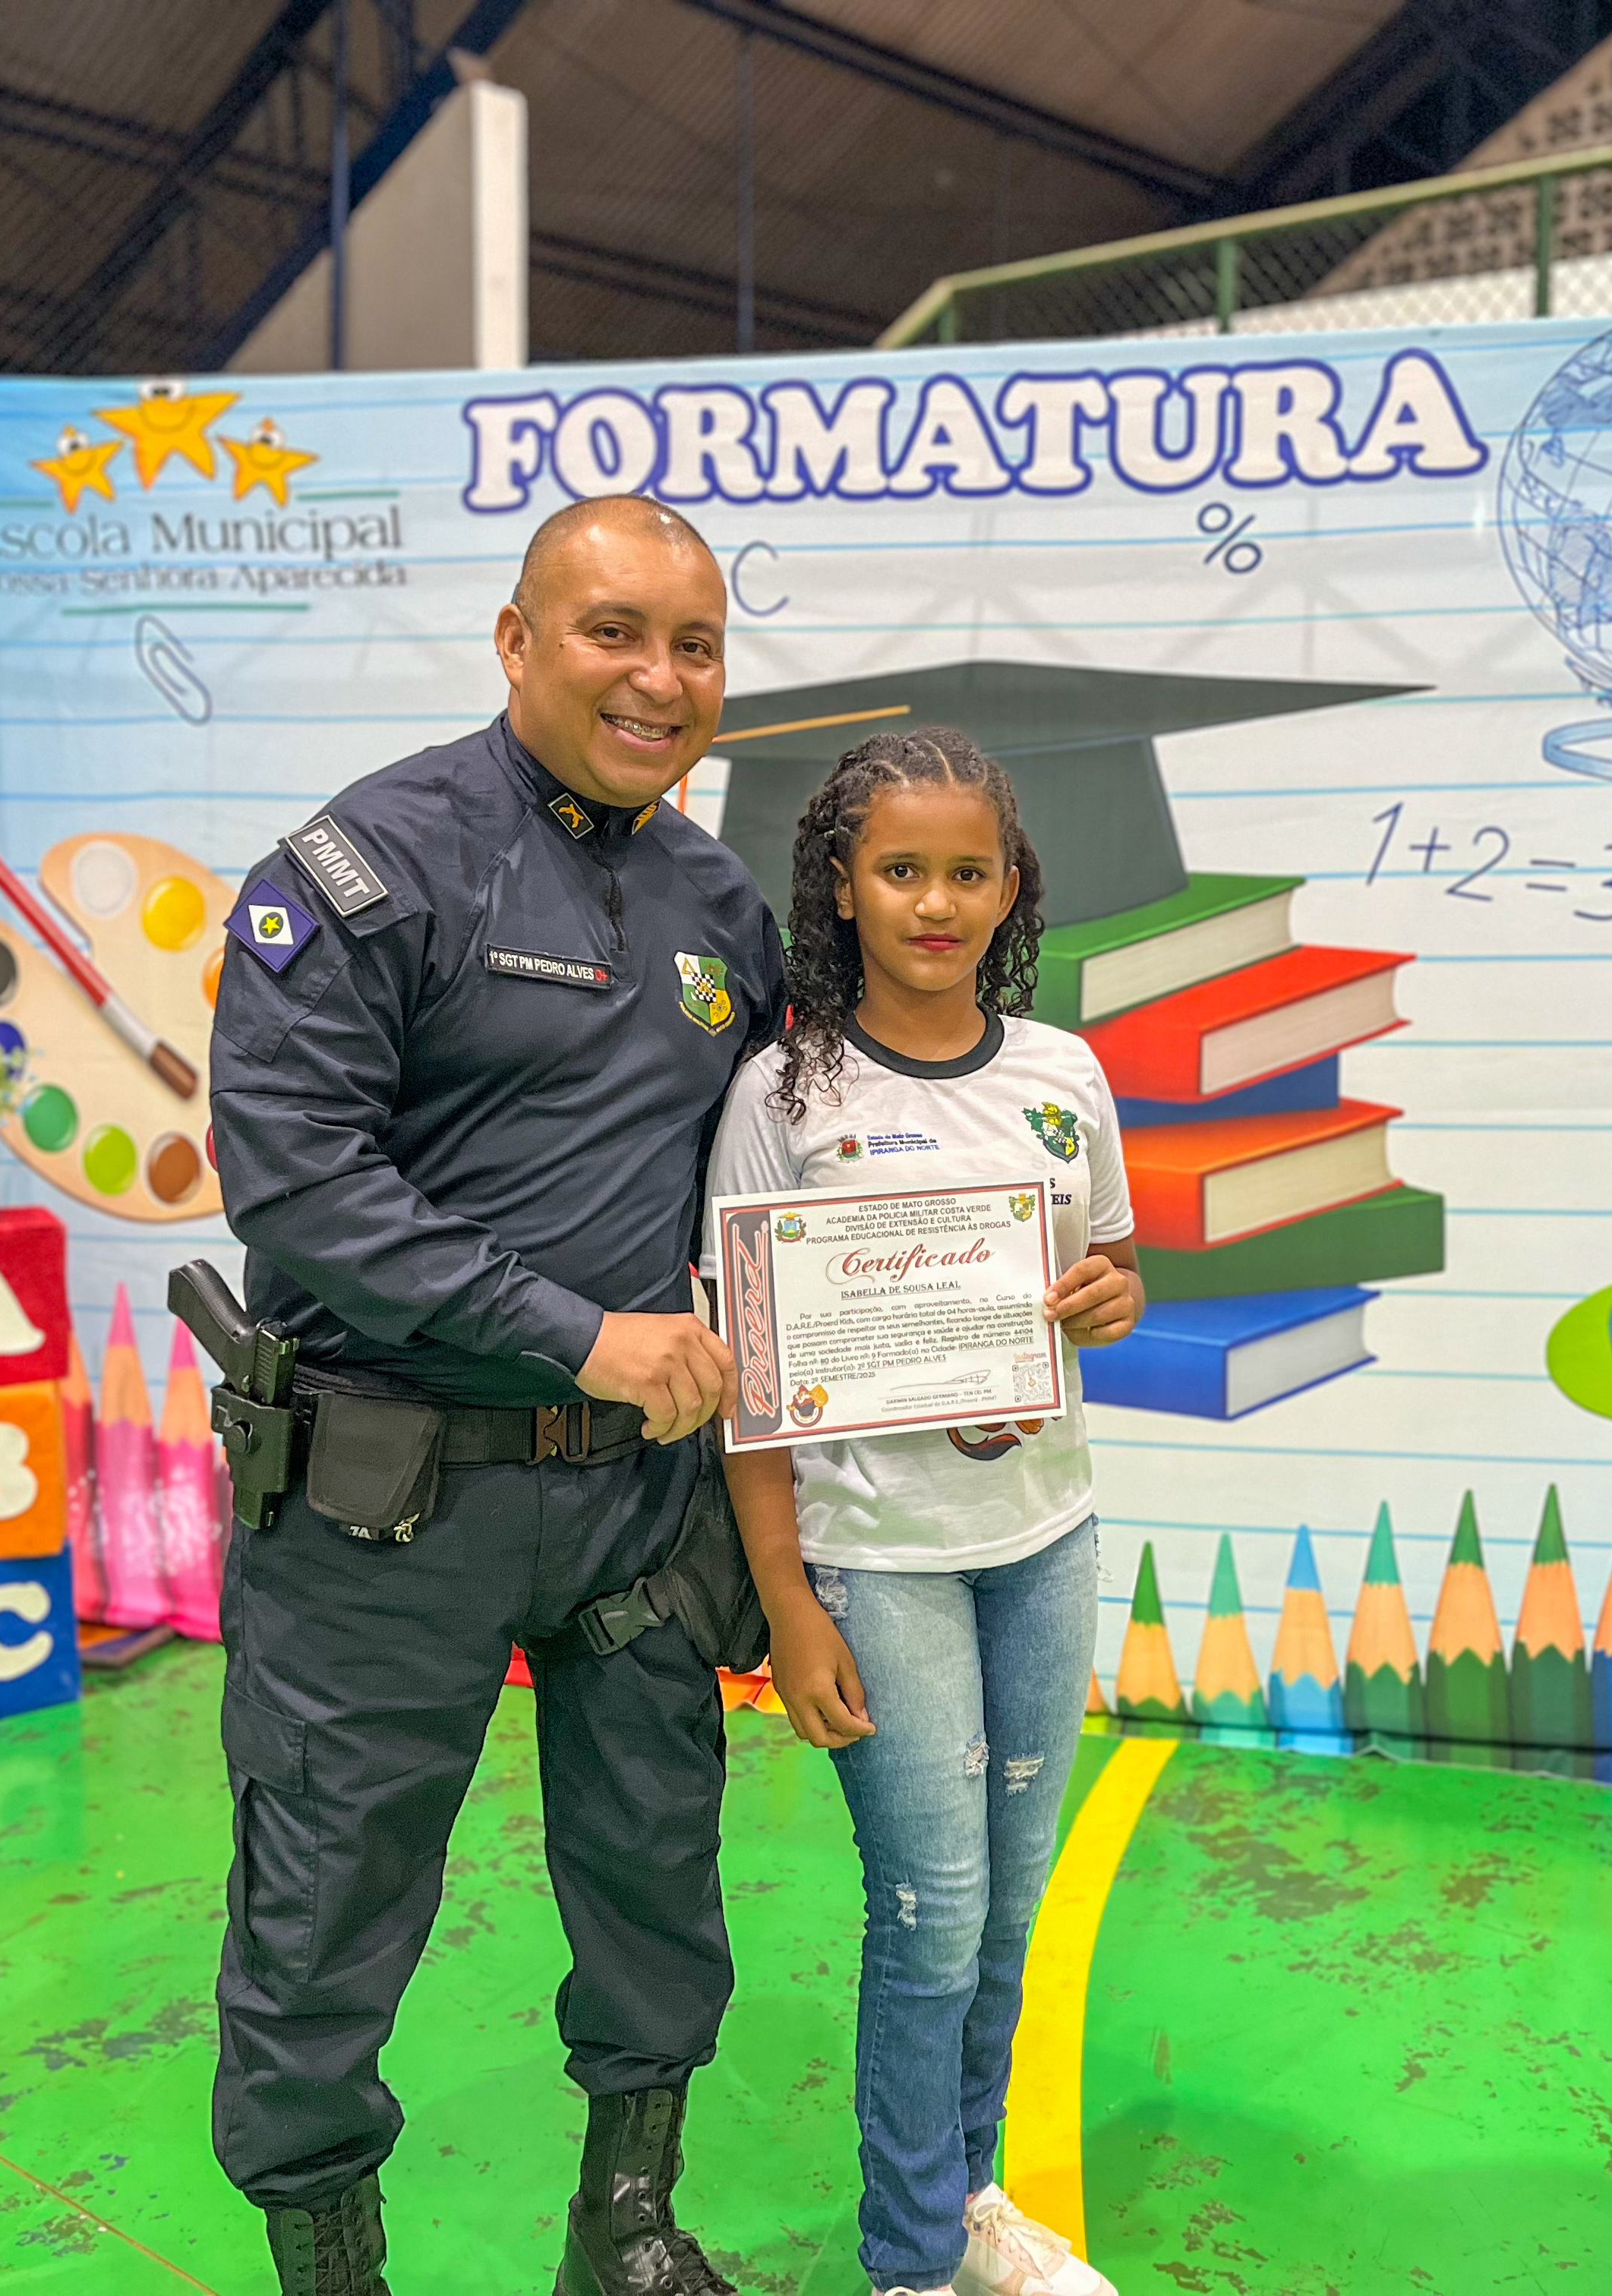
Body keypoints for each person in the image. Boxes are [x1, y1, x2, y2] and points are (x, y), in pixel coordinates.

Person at [207, 495, 784, 2296]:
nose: (659, 678)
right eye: (615, 632)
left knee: (658, 1871)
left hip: (635, 1503)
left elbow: (801, 1162)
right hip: (388, 1508)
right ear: (518, 641)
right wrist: (574, 1332)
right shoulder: (368, 870)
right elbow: (297, 1179)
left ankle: (628, 2225)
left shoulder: (721, 903)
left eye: (695, 646)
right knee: (329, 1902)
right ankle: (333, 2269)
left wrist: (1014, 1289)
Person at [702, 730, 1145, 2296]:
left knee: (1005, 1915)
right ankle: (906, 2261)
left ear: (1012, 887)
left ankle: (969, 2208)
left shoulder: (1062, 1074)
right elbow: (752, 1377)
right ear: (843, 885)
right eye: (902, 870)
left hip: (1045, 1539)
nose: (937, 902)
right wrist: (788, 1599)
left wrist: (1110, 1297)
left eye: (969, 871)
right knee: (930, 1913)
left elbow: (1112, 1266)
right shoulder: (783, 1093)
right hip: (877, 1562)